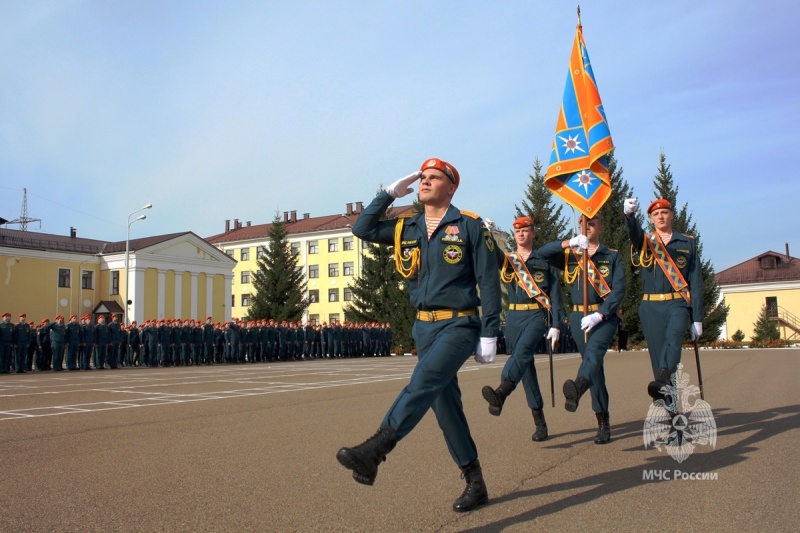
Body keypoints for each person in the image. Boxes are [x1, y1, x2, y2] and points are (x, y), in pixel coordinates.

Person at [337, 158, 501, 512]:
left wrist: (490, 332)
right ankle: (475, 481)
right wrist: (387, 194)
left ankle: (376, 449)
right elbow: (362, 230)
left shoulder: (470, 226)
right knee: (445, 407)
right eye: (422, 177)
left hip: (459, 324)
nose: (425, 181)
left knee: (423, 382)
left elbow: (489, 281)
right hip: (423, 326)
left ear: (451, 187)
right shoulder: (405, 228)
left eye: (434, 177)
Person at [538, 214, 625, 444]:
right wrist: (569, 243)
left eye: (592, 224)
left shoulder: (611, 256)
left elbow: (618, 290)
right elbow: (542, 253)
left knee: (594, 353)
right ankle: (603, 420)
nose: (587, 228)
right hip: (578, 316)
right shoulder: (572, 255)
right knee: (593, 366)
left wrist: (600, 314)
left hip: (604, 316)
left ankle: (578, 386)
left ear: (601, 227)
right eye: (583, 225)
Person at [480, 216, 565, 442]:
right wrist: (487, 234)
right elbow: (492, 254)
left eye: (525, 230)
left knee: (522, 352)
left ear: (532, 233)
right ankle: (540, 424)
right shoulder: (509, 260)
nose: (520, 234)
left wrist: (556, 324)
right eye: (517, 230)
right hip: (514, 317)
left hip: (535, 315)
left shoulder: (543, 260)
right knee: (526, 370)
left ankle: (502, 391)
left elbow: (555, 296)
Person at [624, 198, 703, 407]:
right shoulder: (646, 241)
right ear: (650, 219)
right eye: (655, 214)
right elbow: (634, 234)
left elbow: (695, 281)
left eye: (664, 212)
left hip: (677, 302)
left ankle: (666, 375)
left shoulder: (687, 242)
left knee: (675, 338)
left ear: (672, 215)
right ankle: (671, 411)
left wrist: (698, 318)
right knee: (658, 359)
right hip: (650, 307)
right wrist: (630, 216)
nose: (660, 216)